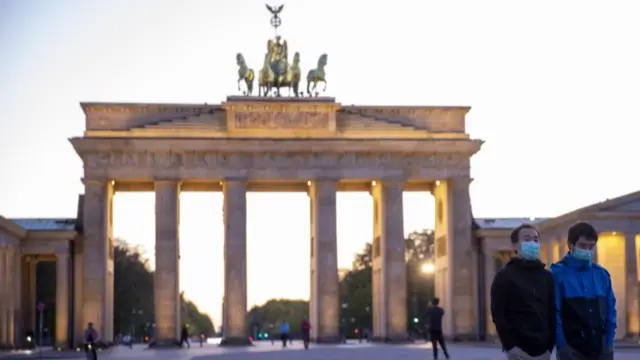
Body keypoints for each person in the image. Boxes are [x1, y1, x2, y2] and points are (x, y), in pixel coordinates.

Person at [551, 222, 616, 360]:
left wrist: (608, 343)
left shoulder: (602, 274)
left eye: (591, 246)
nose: (587, 250)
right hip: (571, 350)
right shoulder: (557, 274)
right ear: (570, 245)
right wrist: (562, 345)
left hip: (601, 349)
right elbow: (554, 312)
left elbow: (610, 311)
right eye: (583, 245)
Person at [490, 224, 555, 360]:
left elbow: (552, 312)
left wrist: (550, 346)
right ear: (515, 245)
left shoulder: (547, 277)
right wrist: (510, 346)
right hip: (518, 350)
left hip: (543, 351)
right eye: (527, 239)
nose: (532, 243)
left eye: (536, 240)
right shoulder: (504, 276)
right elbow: (498, 313)